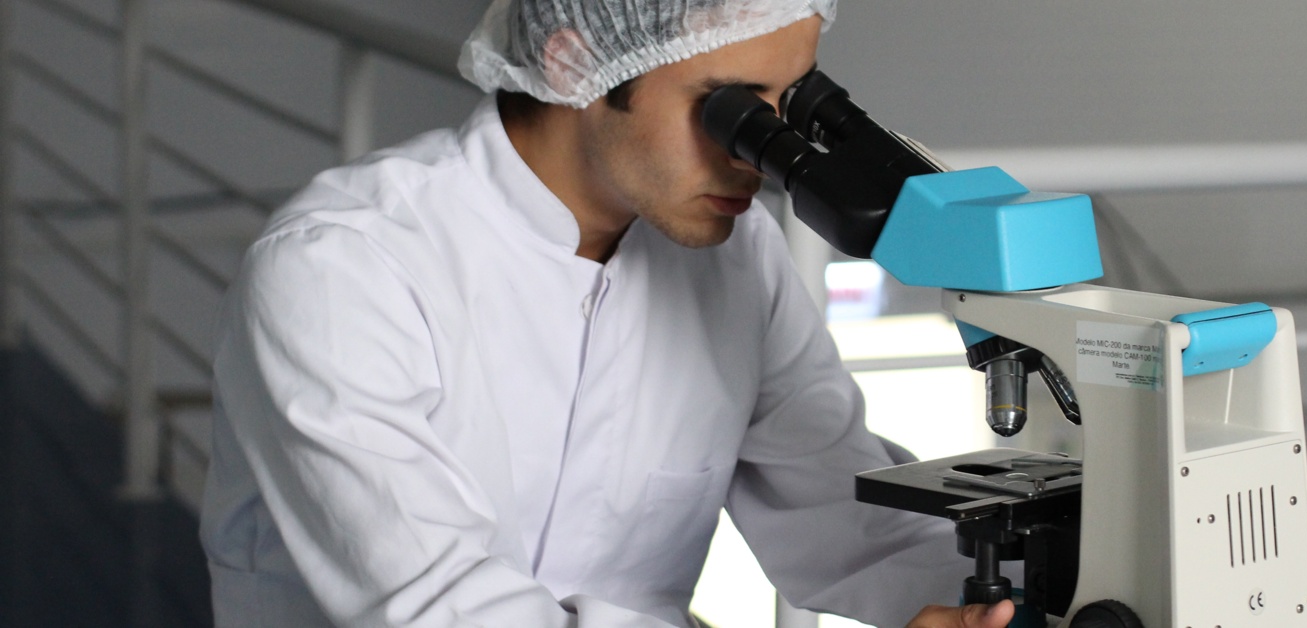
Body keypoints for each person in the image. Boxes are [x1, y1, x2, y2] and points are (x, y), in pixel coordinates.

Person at [199, 0, 1018, 626]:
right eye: (729, 108)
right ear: (573, 63)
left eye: (787, 105)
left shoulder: (737, 261)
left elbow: (846, 516)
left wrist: (1015, 596)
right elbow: (446, 607)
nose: (756, 156)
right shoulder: (347, 267)